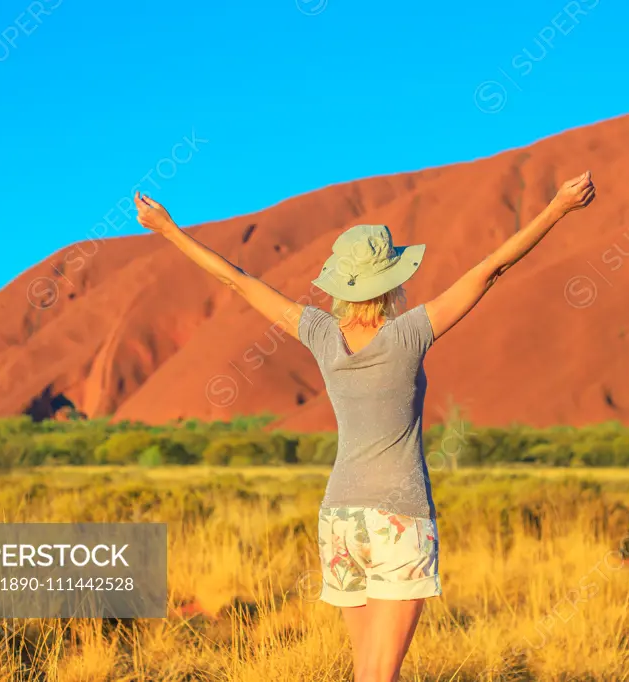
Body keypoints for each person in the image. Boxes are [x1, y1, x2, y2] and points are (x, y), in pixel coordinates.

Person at [133, 170, 596, 682]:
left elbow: (236, 280)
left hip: (340, 520)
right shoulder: (411, 332)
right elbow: (491, 269)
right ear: (391, 280)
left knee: (369, 672)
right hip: (400, 516)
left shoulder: (319, 332)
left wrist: (168, 229)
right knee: (378, 675)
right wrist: (558, 208)